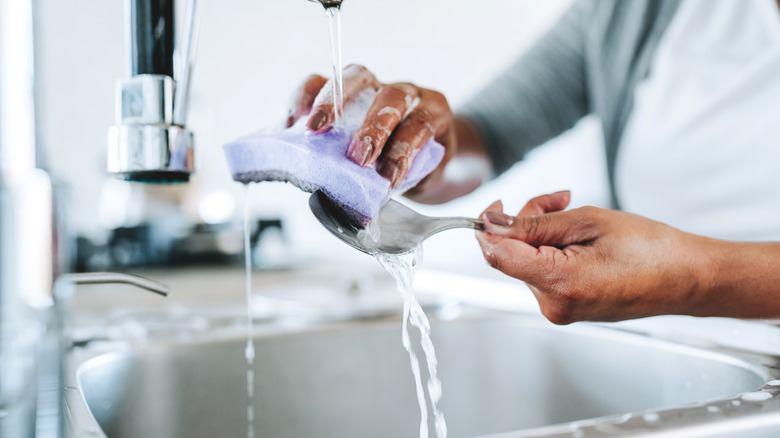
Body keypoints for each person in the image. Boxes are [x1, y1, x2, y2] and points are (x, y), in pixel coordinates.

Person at [286, 0, 780, 323]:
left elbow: (689, 277)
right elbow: (490, 132)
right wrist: (414, 147)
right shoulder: (636, 11)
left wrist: (692, 278)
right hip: (690, 367)